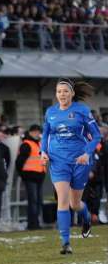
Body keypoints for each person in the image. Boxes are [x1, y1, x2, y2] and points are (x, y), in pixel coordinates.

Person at [41, 78, 100, 254]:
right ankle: (66, 243)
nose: (62, 95)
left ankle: (86, 216)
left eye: (65, 91)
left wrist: (86, 153)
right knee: (63, 201)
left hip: (79, 161)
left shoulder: (82, 111)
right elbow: (45, 135)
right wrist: (43, 152)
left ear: (72, 93)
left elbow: (96, 136)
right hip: (58, 161)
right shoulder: (50, 112)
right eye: (59, 92)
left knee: (75, 204)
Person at [15, 124, 46, 230]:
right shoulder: (27, 144)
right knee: (33, 201)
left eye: (39, 132)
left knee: (37, 201)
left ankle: (35, 222)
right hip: (31, 176)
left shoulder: (38, 144)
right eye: (36, 132)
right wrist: (23, 175)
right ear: (31, 132)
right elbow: (19, 162)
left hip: (38, 176)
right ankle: (33, 224)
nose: (38, 134)